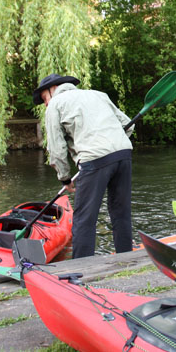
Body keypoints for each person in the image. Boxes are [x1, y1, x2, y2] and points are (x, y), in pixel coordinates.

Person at [33, 74, 135, 258]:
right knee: (121, 212)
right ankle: (126, 258)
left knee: (84, 218)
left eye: (44, 99)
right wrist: (113, 142)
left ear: (52, 88)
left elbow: (56, 148)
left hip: (93, 159)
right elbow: (128, 126)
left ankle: (82, 267)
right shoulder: (98, 94)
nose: (46, 104)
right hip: (123, 154)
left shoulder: (55, 106)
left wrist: (64, 178)